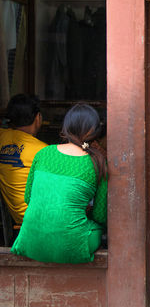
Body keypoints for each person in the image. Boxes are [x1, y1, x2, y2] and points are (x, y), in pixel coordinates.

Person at [11, 103, 107, 264]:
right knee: (98, 230)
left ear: (66, 127)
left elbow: (28, 198)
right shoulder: (98, 162)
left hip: (30, 241)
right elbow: (99, 215)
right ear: (95, 131)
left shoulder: (43, 153)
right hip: (72, 246)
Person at [0, 94, 47, 225]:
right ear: (38, 118)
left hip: (17, 219)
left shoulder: (2, 137)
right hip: (40, 219)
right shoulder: (43, 151)